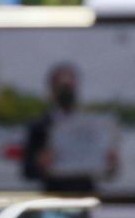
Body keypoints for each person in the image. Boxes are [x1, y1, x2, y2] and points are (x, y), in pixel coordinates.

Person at [21, 62, 117, 192]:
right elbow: (27, 171)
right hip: (54, 198)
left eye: (70, 87)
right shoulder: (39, 127)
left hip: (85, 197)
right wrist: (40, 164)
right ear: (52, 90)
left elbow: (106, 172)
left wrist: (111, 165)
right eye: (63, 87)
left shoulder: (91, 126)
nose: (67, 93)